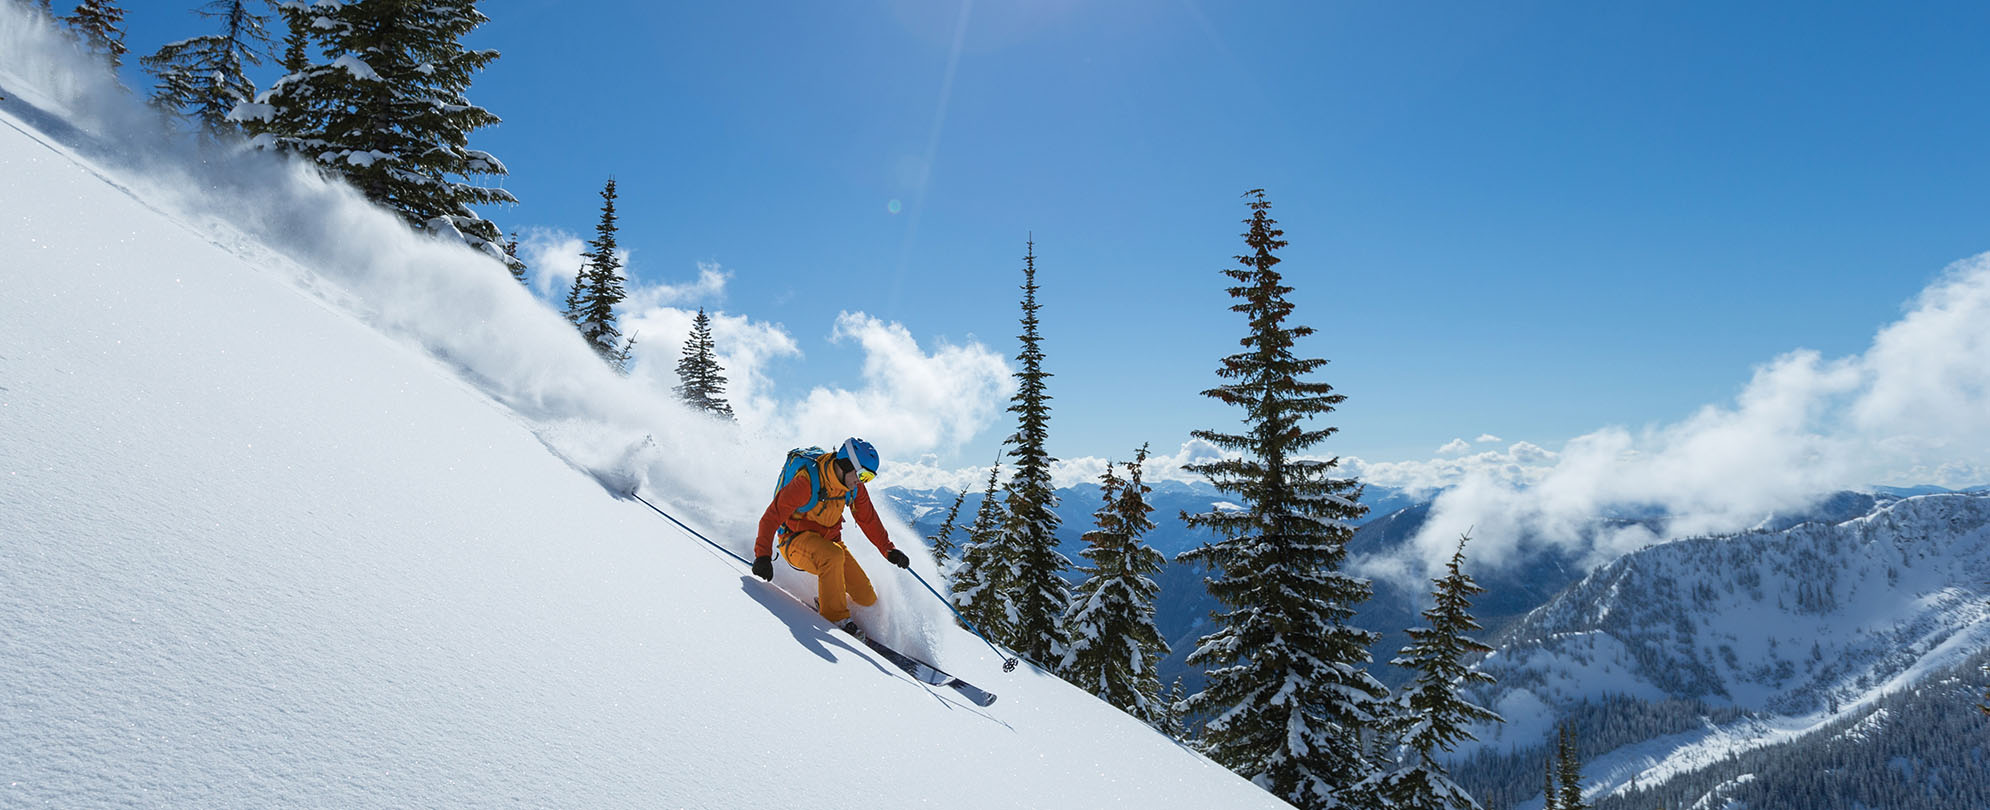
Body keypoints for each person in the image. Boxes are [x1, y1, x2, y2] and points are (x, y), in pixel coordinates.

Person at [753, 437, 909, 636]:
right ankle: (836, 618)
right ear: (846, 464)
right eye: (862, 475)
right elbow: (771, 516)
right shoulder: (808, 481)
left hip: (830, 543)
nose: (861, 482)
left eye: (868, 478)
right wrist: (763, 555)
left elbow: (868, 519)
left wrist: (889, 550)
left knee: (866, 597)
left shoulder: (853, 488)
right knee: (832, 556)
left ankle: (829, 600)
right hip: (794, 541)